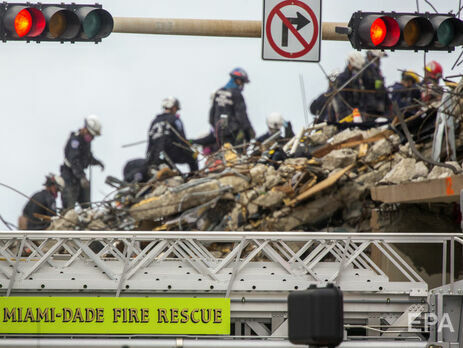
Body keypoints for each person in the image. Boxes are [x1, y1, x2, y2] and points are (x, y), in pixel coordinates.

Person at [60, 115, 104, 210]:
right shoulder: (75, 141)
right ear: (85, 129)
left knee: (87, 207)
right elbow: (74, 161)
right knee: (69, 208)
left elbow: (87, 157)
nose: (91, 138)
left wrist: (97, 162)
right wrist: (82, 177)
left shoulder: (86, 142)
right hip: (69, 177)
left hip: (80, 176)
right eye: (91, 135)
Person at [146, 97, 198, 172]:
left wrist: (149, 159)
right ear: (173, 107)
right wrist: (190, 148)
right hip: (170, 153)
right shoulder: (175, 119)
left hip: (155, 156)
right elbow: (182, 139)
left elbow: (150, 143)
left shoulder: (154, 121)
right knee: (194, 156)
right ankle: (194, 176)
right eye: (176, 108)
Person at [209, 68, 256, 147]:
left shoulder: (219, 92)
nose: (242, 85)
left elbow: (211, 115)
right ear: (237, 80)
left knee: (225, 154)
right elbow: (241, 116)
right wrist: (249, 130)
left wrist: (218, 129)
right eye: (242, 82)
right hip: (233, 133)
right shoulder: (236, 94)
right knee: (235, 155)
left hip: (219, 133)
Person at [335, 51, 367, 120]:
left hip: (359, 116)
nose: (356, 72)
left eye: (358, 70)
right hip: (346, 119)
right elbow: (340, 103)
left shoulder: (359, 81)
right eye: (355, 68)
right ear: (349, 64)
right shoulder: (342, 79)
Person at [363, 50, 390, 117]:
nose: (379, 61)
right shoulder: (364, 69)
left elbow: (381, 88)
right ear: (370, 56)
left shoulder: (376, 70)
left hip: (377, 107)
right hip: (369, 107)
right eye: (377, 59)